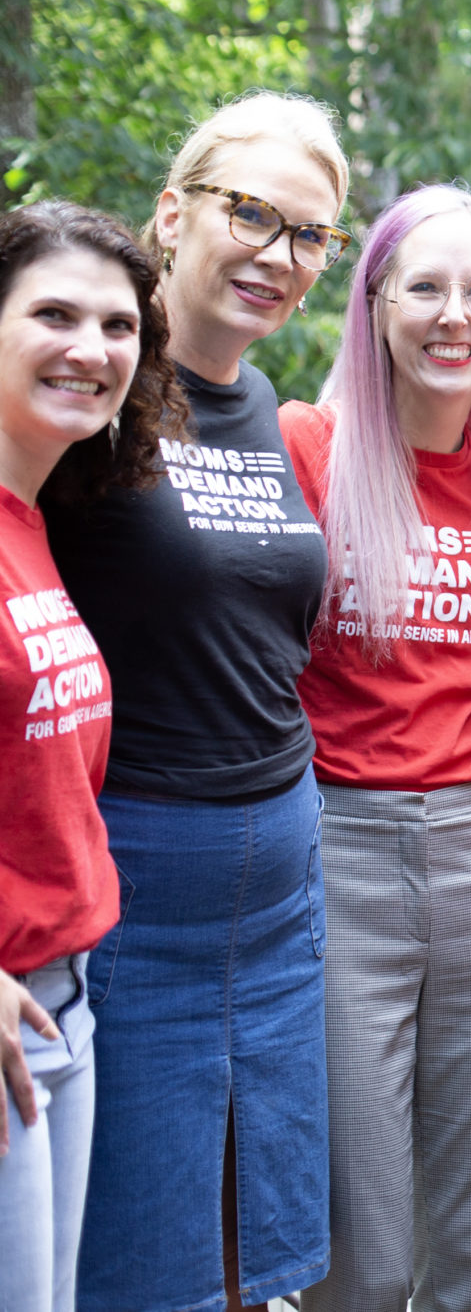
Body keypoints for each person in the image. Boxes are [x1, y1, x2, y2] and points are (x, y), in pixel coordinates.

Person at [46, 93, 350, 1311]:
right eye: (252, 215)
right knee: (132, 1255)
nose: (278, 256)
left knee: (250, 1252)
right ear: (173, 215)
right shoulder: (93, 388)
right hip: (134, 877)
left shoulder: (268, 407)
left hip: (280, 884)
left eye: (310, 236)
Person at [283, 186, 471, 1312]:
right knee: (367, 1257)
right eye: (425, 287)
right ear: (375, 300)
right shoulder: (306, 445)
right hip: (339, 849)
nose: (454, 315)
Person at [0, 203, 180, 1312]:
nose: (93, 348)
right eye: (54, 314)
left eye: (119, 326)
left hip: (65, 1002)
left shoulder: (36, 516)